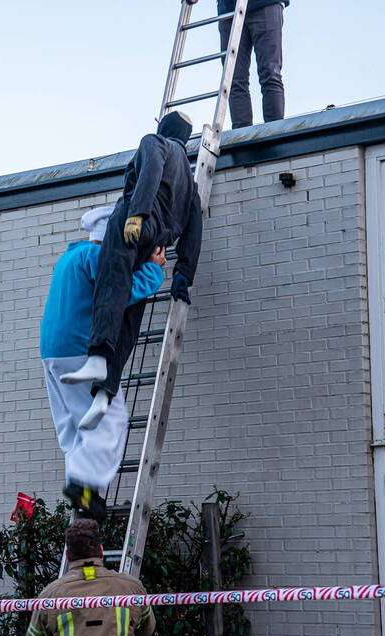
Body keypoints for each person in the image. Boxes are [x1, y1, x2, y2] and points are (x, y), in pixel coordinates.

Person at [59, 111, 202, 433]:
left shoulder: (155, 142)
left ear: (164, 128)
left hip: (134, 222)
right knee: (130, 310)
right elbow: (195, 226)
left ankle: (97, 357)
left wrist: (136, 214)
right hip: (160, 240)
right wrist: (183, 274)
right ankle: (104, 392)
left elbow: (150, 169)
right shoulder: (190, 183)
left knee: (112, 284)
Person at [41, 206, 166, 522]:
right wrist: (152, 269)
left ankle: (80, 490)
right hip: (82, 348)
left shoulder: (70, 258)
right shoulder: (97, 258)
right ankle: (86, 487)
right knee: (109, 417)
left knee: (73, 426)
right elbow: (118, 292)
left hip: (53, 352)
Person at [25, 519, 156, 636]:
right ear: (101, 551)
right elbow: (147, 630)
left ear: (67, 555)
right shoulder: (131, 588)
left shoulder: (50, 595)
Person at [217, 0, 287, 129]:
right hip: (229, 9)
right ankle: (241, 135)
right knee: (233, 79)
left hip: (265, 4)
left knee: (270, 73)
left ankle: (275, 132)